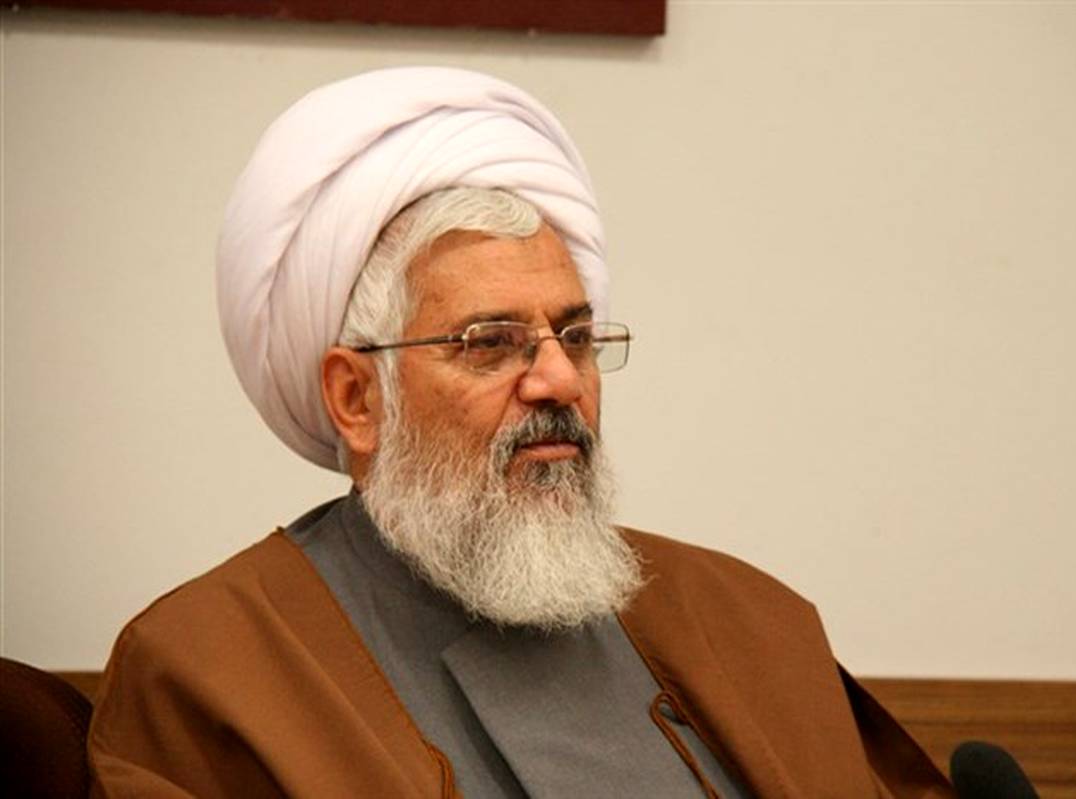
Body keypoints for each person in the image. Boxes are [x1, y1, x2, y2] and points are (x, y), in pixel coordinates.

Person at [87, 67, 952, 798]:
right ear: (358, 399)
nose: (560, 379)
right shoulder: (207, 669)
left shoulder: (749, 619)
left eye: (575, 336)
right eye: (490, 342)